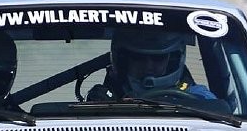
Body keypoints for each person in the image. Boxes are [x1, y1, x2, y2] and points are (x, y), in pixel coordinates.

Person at [88, 27, 216, 102]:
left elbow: (219, 113)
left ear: (172, 59)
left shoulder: (199, 97)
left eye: (158, 58)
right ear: (124, 60)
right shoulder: (105, 99)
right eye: (139, 57)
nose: (148, 65)